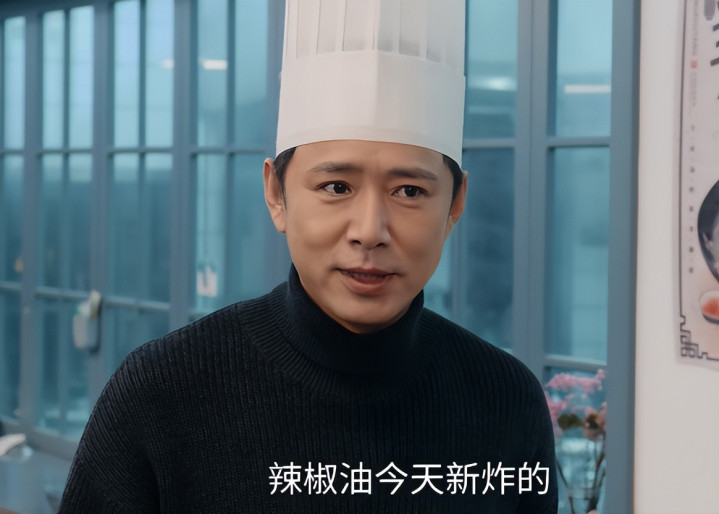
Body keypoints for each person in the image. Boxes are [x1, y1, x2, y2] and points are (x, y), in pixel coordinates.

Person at [60, 1, 557, 512]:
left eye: (409, 191)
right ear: (276, 194)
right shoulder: (162, 392)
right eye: (336, 186)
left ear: (455, 203)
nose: (370, 232)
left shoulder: (504, 399)